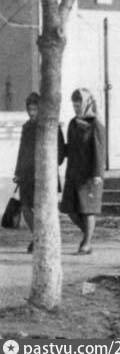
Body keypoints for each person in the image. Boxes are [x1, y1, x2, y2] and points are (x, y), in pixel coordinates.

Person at [12, 92, 65, 253]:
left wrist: (48, 165)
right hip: (26, 175)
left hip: (45, 174)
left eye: (35, 109)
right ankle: (39, 237)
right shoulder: (26, 127)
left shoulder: (52, 126)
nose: (32, 113)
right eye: (30, 110)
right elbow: (22, 151)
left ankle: (43, 239)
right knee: (25, 207)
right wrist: (17, 172)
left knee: (43, 209)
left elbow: (60, 152)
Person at [61, 88, 105, 255]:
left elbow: (100, 150)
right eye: (74, 106)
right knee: (70, 210)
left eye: (78, 106)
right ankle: (89, 235)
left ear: (87, 104)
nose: (76, 109)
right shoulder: (73, 123)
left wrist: (98, 174)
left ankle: (86, 243)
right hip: (73, 172)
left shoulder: (95, 124)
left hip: (89, 175)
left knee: (87, 210)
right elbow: (69, 147)